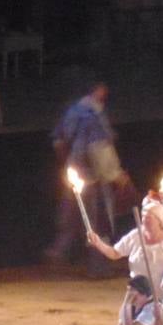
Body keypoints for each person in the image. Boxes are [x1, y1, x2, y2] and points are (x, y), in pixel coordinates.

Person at [47, 82, 123, 264]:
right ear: (97, 90)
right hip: (92, 175)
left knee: (72, 216)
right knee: (95, 220)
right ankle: (97, 264)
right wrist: (116, 174)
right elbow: (98, 149)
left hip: (75, 171)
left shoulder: (73, 111)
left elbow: (58, 142)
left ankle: (60, 251)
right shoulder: (92, 115)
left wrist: (68, 164)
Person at [86, 194, 163, 284]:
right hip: (138, 291)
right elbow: (115, 253)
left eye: (149, 217)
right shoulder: (136, 235)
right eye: (144, 216)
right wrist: (98, 243)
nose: (145, 220)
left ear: (159, 220)